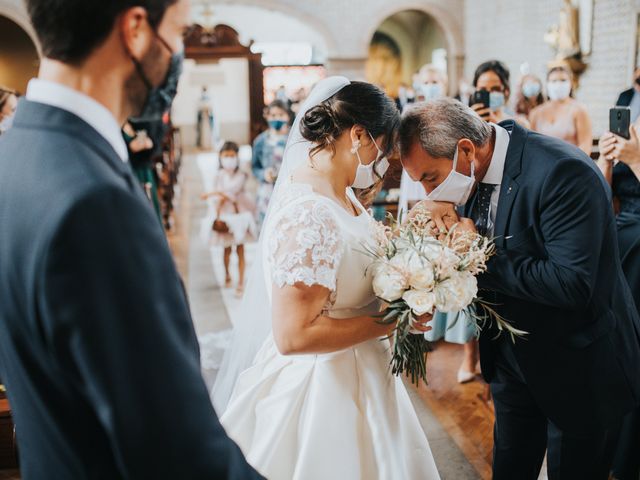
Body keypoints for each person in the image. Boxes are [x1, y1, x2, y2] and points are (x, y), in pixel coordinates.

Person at [0, 0, 261, 478]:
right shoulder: (93, 202)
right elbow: (179, 454)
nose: (178, 51)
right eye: (178, 33)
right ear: (137, 29)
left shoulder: (12, 151)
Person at [212, 77, 440, 479]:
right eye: (383, 150)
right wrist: (391, 319)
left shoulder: (342, 192)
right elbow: (294, 336)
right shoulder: (308, 214)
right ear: (358, 136)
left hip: (366, 372)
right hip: (322, 389)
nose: (384, 166)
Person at [400, 97, 640, 479]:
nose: (429, 192)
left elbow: (573, 284)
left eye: (430, 178)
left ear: (466, 150)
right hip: (511, 362)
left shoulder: (563, 172)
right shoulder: (470, 174)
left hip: (578, 367)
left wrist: (477, 250)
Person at [597, 126, 640, 480]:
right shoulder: (631, 120)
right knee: (620, 340)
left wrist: (636, 159)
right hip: (621, 233)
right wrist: (606, 161)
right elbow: (599, 192)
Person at [202, 141, 255, 297]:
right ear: (220, 157)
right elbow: (218, 193)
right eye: (226, 156)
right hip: (225, 214)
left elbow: (233, 191)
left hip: (239, 214)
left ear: (237, 157)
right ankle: (227, 275)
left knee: (240, 249)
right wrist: (217, 196)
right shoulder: (219, 175)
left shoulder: (242, 174)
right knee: (226, 249)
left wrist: (217, 193)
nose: (229, 159)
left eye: (232, 156)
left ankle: (240, 282)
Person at [530, 64, 593, 155]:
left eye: (563, 80)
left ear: (571, 83)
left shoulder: (579, 110)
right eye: (554, 81)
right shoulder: (536, 113)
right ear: (547, 84)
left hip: (572, 163)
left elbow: (585, 146)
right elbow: (532, 145)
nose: (558, 84)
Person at [251, 99, 291, 229]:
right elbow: (255, 167)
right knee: (267, 226)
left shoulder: (294, 138)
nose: (277, 118)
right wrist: (264, 174)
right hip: (267, 192)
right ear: (267, 116)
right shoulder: (260, 141)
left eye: (281, 114)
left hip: (288, 190)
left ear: (288, 116)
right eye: (273, 115)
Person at [471, 60, 530, 128]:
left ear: (506, 91)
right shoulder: (468, 123)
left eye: (495, 89)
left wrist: (498, 125)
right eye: (483, 90)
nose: (489, 94)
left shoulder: (519, 125)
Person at [122, 121, 162, 219]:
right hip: (132, 172)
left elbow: (155, 143)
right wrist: (131, 148)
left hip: (145, 171)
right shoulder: (118, 129)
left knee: (152, 205)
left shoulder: (135, 124)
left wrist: (150, 143)